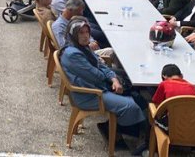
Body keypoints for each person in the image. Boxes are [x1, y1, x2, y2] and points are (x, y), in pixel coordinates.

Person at [60, 19, 146, 152]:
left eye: (87, 32)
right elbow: (95, 75)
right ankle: (121, 136)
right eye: (81, 33)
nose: (85, 35)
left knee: (132, 92)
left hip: (95, 87)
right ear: (73, 34)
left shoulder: (82, 47)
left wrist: (114, 79)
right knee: (130, 104)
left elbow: (100, 64)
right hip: (89, 94)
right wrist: (113, 79)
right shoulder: (72, 54)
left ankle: (118, 130)